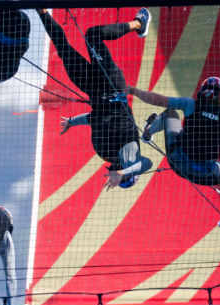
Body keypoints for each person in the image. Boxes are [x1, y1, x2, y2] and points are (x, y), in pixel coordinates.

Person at [128, 76, 220, 229]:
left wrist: (133, 91)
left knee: (170, 114)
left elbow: (157, 99)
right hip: (205, 175)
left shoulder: (190, 105)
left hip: (178, 163)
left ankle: (148, 133)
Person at [37, 8, 153, 189]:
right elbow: (147, 164)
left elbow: (94, 119)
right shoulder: (130, 156)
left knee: (63, 49)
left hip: (92, 89)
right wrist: (124, 172)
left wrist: (72, 122)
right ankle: (139, 24)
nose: (115, 176)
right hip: (111, 85)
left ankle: (42, 13)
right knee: (93, 35)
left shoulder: (104, 152)